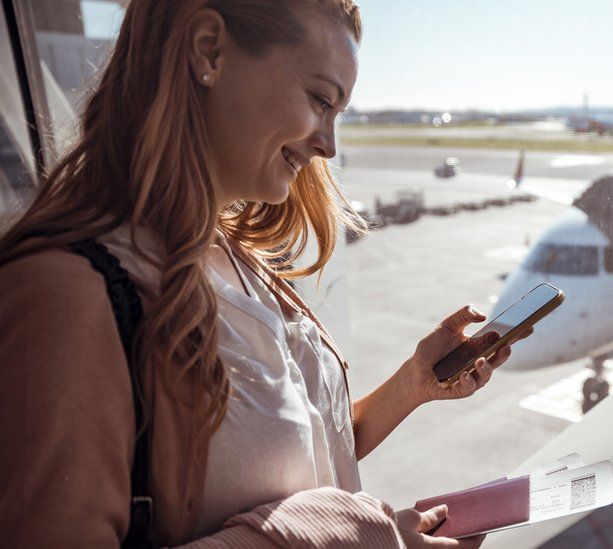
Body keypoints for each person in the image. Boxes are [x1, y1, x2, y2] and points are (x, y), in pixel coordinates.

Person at [0, 1, 516, 546]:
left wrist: (414, 383)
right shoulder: (66, 298)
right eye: (320, 100)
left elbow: (299, 451)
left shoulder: (233, 257)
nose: (329, 144)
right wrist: (356, 538)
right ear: (209, 51)